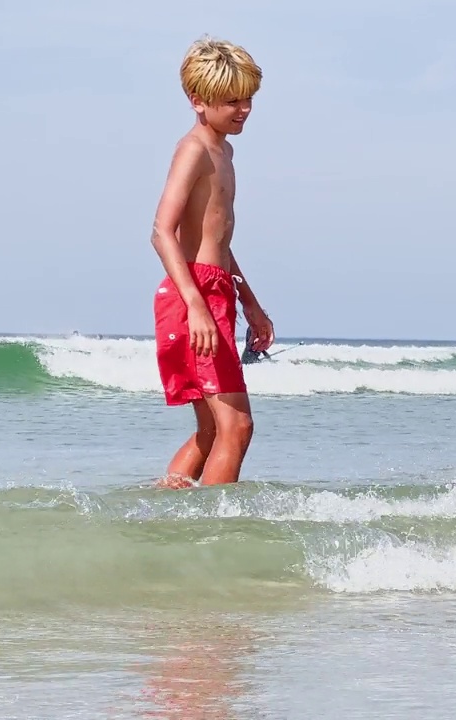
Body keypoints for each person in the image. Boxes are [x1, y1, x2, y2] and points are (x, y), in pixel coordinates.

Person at [149, 36, 273, 490]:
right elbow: (161, 232)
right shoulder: (194, 149)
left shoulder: (226, 150)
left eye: (248, 99)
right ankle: (214, 533)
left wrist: (250, 303)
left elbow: (217, 242)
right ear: (197, 101)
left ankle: (168, 512)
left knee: (210, 432)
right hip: (193, 293)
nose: (244, 110)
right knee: (236, 427)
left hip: (213, 287)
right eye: (232, 101)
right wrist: (197, 305)